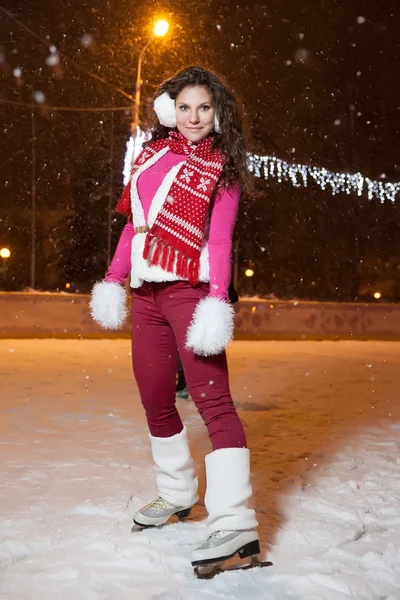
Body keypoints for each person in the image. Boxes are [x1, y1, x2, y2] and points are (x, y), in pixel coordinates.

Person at [90, 66, 259, 569]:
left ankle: (234, 524)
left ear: (218, 113)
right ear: (170, 110)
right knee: (155, 398)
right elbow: (135, 227)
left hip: (188, 291)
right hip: (145, 296)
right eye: (184, 106)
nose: (193, 117)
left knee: (214, 404)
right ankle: (178, 492)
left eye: (204, 107)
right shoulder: (151, 157)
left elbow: (223, 240)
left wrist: (215, 299)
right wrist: (113, 280)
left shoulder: (221, 168)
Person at [175, 282, 239, 400]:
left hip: (200, 304)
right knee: (180, 345)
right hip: (188, 302)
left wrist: (229, 293)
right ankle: (184, 378)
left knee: (193, 345)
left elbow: (218, 274)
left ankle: (202, 383)